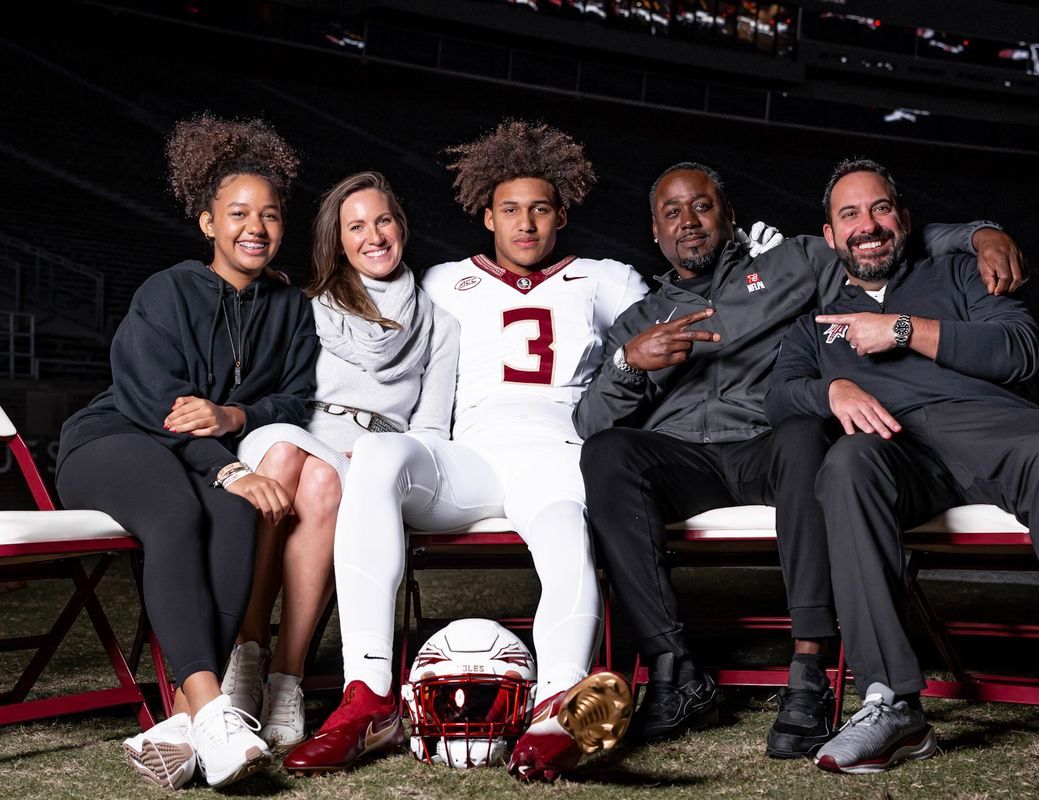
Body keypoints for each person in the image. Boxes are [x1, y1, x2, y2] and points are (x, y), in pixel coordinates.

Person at [574, 161, 1026, 756]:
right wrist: (630, 364)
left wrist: (981, 234)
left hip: (771, 446)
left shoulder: (794, 262)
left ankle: (810, 669)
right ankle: (673, 669)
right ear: (655, 231)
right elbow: (591, 423)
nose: (689, 222)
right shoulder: (636, 320)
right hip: (685, 459)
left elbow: (877, 237)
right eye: (672, 213)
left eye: (703, 206)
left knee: (805, 431)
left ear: (729, 216)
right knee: (608, 454)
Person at [766, 158, 1039, 788]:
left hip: (994, 431)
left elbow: (1020, 351)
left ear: (905, 220)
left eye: (880, 208)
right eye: (850, 215)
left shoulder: (960, 271)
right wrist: (830, 388)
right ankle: (892, 702)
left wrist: (903, 330)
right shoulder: (816, 323)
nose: (868, 225)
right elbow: (780, 396)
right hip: (902, 452)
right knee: (844, 466)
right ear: (831, 237)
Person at [55, 114, 318, 789]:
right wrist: (227, 464)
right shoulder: (165, 291)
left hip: (193, 458)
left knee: (234, 518)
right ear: (208, 224)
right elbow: (156, 406)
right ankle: (214, 708)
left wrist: (235, 416)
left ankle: (182, 721)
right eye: (237, 213)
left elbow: (294, 399)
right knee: (180, 512)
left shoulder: (289, 310)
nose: (254, 226)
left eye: (269, 214)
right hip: (114, 442)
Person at [414, 120, 656, 782]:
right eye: (511, 209)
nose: (526, 224)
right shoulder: (442, 282)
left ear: (563, 214)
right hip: (471, 457)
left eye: (540, 209)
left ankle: (558, 713)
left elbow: (663, 338)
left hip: (559, 450)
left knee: (567, 547)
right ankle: (367, 693)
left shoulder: (602, 279)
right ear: (486, 214)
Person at [217, 171, 460, 760]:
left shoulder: (440, 324)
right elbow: (278, 393)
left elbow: (428, 428)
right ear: (338, 240)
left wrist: (384, 455)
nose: (373, 236)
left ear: (401, 228)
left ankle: (285, 678)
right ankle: (247, 657)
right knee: (289, 455)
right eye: (356, 226)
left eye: (383, 221)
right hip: (295, 431)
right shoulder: (306, 307)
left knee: (324, 479)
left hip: (371, 455)